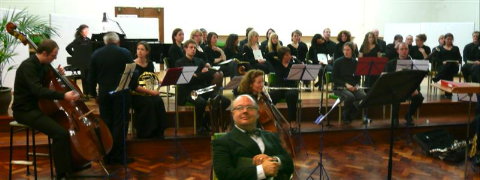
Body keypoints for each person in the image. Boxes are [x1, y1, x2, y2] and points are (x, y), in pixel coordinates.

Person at [12, 39, 80, 179]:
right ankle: (62, 174)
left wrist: (58, 74)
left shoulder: (44, 65)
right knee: (60, 133)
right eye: (54, 55)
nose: (55, 58)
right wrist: (63, 96)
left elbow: (49, 82)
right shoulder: (28, 67)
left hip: (39, 107)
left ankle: (72, 165)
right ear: (44, 53)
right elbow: (38, 90)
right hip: (25, 110)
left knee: (65, 129)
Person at [212, 95, 294, 180]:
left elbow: (289, 163)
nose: (245, 111)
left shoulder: (271, 136)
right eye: (239, 108)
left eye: (250, 107)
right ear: (233, 114)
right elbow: (224, 175)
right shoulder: (222, 142)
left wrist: (273, 160)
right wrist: (262, 170)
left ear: (258, 113)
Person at [89, 32, 134, 164]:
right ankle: (119, 156)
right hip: (121, 93)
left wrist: (93, 94)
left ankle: (107, 155)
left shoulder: (96, 54)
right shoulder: (124, 52)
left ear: (105, 42)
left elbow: (91, 77)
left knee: (106, 123)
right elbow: (131, 72)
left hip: (104, 94)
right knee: (120, 124)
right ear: (117, 41)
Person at [175, 40, 231, 134]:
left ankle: (208, 120)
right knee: (201, 102)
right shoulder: (179, 63)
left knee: (225, 100)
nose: (193, 50)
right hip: (188, 91)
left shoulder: (199, 61)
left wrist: (196, 75)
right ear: (185, 49)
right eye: (191, 47)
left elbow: (210, 75)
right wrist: (201, 74)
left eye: (194, 48)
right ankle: (199, 127)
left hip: (202, 89)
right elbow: (185, 82)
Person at [131, 41, 167, 138]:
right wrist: (151, 92)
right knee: (148, 103)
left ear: (147, 52)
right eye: (138, 49)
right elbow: (134, 86)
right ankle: (145, 132)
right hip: (136, 94)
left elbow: (152, 78)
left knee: (158, 101)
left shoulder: (150, 64)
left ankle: (159, 130)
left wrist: (159, 81)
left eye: (142, 49)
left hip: (148, 92)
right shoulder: (132, 65)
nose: (139, 52)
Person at [384, 42, 424, 127]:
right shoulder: (391, 63)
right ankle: (395, 118)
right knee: (396, 96)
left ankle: (408, 116)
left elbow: (417, 78)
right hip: (396, 89)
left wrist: (414, 89)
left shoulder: (413, 63)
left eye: (406, 49)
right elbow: (388, 79)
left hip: (410, 89)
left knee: (419, 97)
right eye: (401, 49)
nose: (404, 51)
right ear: (397, 51)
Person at [332, 42, 367, 124]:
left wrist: (356, 86)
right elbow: (334, 78)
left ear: (352, 51)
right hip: (339, 87)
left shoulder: (355, 62)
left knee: (364, 96)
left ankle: (350, 114)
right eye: (344, 50)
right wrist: (346, 84)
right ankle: (346, 117)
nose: (346, 52)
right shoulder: (337, 62)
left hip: (353, 87)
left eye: (348, 50)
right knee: (350, 97)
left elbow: (358, 78)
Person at [269, 47, 300, 122]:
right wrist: (278, 52)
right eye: (286, 55)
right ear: (281, 56)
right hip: (279, 87)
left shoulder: (293, 64)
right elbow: (268, 56)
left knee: (291, 95)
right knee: (271, 96)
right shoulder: (276, 63)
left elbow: (301, 66)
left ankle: (292, 121)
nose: (289, 56)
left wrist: (295, 59)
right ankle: (270, 119)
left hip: (291, 87)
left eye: (289, 54)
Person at [431, 33, 462, 98]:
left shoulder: (456, 48)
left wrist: (458, 61)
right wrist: (442, 61)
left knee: (449, 65)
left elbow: (459, 58)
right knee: (448, 71)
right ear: (445, 39)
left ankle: (437, 77)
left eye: (451, 39)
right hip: (442, 67)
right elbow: (434, 58)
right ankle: (448, 93)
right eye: (448, 39)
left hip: (453, 67)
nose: (449, 41)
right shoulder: (439, 48)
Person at [65, 24, 92, 96]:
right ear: (81, 31)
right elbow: (68, 47)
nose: (87, 31)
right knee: (85, 77)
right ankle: (86, 93)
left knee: (90, 76)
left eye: (87, 30)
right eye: (85, 30)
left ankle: (90, 92)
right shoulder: (78, 40)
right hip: (82, 61)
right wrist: (75, 55)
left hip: (88, 60)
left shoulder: (88, 39)